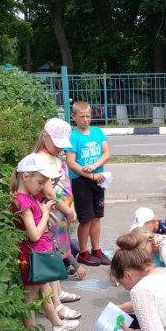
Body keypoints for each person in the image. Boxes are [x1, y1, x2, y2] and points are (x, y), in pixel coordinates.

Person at [10, 153, 80, 331]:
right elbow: (33, 234)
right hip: (33, 257)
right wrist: (47, 213)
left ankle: (57, 324)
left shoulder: (29, 197)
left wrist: (43, 210)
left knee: (44, 292)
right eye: (40, 182)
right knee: (30, 299)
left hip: (38, 255)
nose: (42, 187)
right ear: (25, 177)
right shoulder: (22, 200)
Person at [34, 117, 87, 288]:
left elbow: (65, 183)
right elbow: (49, 193)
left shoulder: (55, 156)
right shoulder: (41, 159)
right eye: (56, 142)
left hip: (63, 211)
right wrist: (68, 210)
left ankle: (57, 289)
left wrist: (71, 207)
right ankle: (54, 292)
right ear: (44, 137)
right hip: (54, 212)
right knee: (56, 245)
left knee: (64, 242)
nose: (60, 147)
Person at [65, 101, 112, 266]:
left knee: (97, 216)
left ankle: (96, 249)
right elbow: (71, 163)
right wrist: (90, 175)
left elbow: (107, 153)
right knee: (86, 218)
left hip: (98, 179)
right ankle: (83, 253)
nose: (86, 119)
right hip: (82, 182)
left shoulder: (98, 132)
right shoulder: (73, 136)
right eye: (82, 116)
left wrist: (94, 167)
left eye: (88, 116)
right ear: (74, 117)